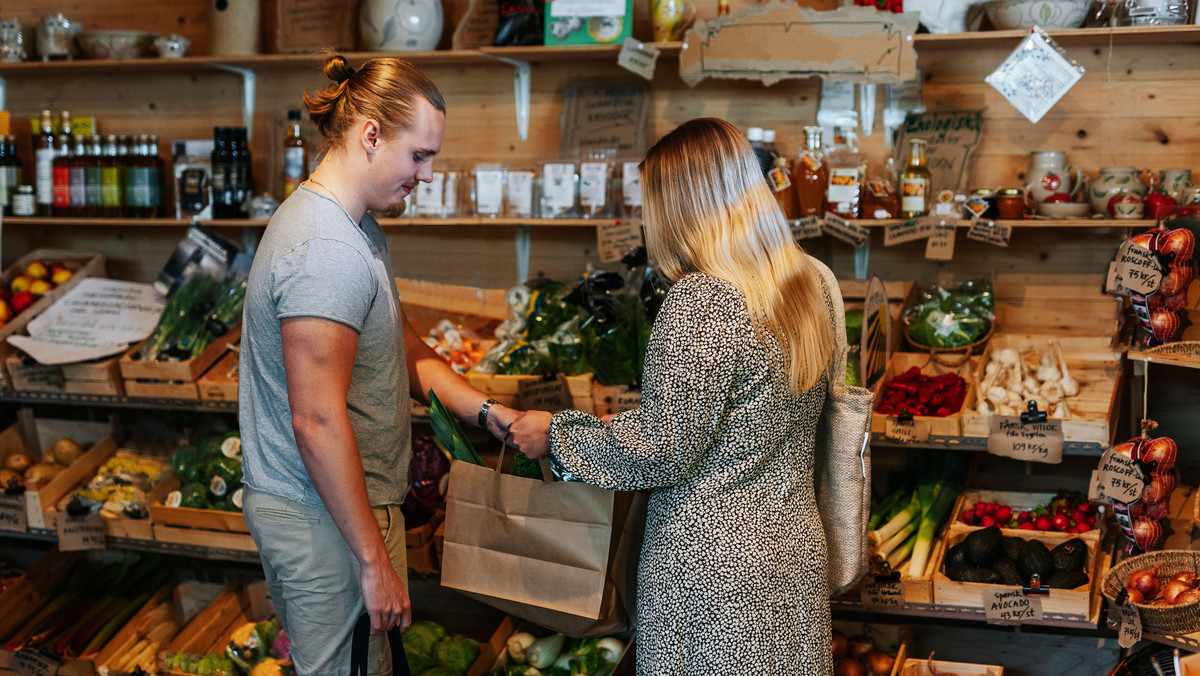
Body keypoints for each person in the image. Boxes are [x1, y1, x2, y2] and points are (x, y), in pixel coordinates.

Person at [510, 117, 839, 674]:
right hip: (793, 549)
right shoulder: (811, 284)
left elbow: (663, 448)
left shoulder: (704, 300)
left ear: (680, 207)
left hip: (714, 573)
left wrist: (558, 436)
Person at [239, 53, 522, 676]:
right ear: (371, 135)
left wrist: (491, 414)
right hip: (326, 521)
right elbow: (314, 420)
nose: (426, 175)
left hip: (342, 511)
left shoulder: (357, 229)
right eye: (419, 156)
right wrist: (373, 560)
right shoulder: (327, 251)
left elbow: (403, 349)